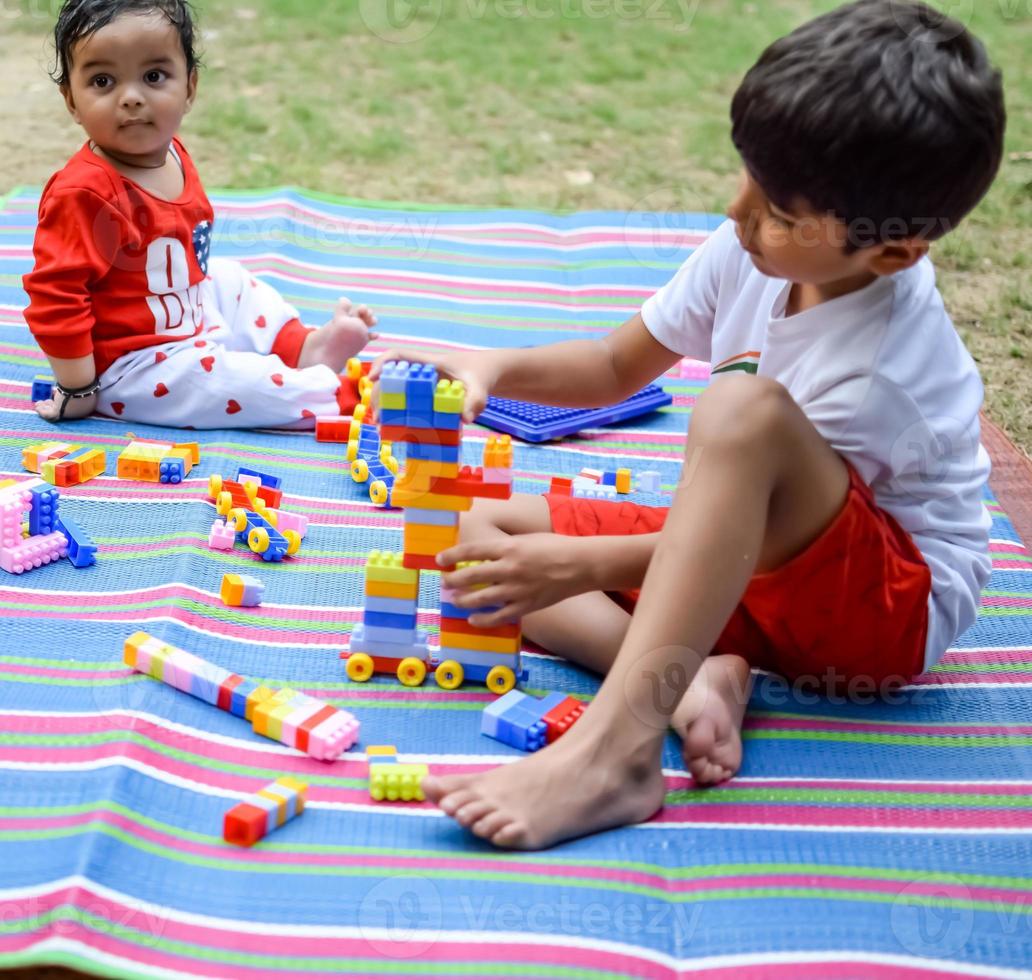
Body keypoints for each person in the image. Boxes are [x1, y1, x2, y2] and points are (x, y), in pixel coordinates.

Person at [370, 0, 1006, 849]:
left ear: (891, 250)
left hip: (883, 610)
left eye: (780, 210)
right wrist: (492, 367)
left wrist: (583, 562)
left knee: (739, 410)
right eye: (746, 175)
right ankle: (698, 672)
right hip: (760, 571)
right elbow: (611, 367)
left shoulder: (881, 368)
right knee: (479, 541)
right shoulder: (749, 245)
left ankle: (618, 749)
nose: (739, 211)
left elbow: (776, 543)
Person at [23, 0, 375, 428]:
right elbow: (56, 300)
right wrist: (79, 388)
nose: (131, 98)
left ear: (189, 88)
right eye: (103, 80)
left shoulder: (171, 152)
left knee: (233, 280)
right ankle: (337, 395)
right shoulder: (83, 194)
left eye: (154, 77)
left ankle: (303, 347)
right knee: (227, 384)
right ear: (72, 101)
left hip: (186, 305)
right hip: (137, 362)